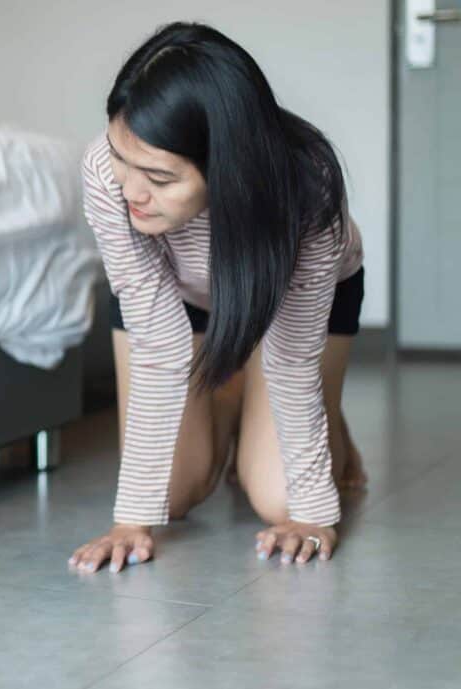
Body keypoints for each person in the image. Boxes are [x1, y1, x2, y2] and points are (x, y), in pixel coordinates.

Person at [69, 22, 367, 575]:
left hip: (286, 310)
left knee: (280, 499)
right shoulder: (107, 172)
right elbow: (156, 344)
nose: (131, 191)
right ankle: (231, 393)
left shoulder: (308, 188)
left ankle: (304, 409)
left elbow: (292, 361)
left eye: (160, 178)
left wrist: (313, 515)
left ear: (227, 167)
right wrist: (131, 521)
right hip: (175, 296)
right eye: (121, 159)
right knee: (170, 494)